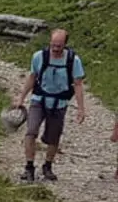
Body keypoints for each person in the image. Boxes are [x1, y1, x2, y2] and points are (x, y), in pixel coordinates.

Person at [11, 29, 85, 183]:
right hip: (39, 100)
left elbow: (77, 84)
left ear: (65, 44)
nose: (56, 49)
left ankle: (48, 166)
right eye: (53, 45)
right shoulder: (39, 57)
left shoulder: (73, 60)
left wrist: (81, 108)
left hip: (59, 104)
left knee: (54, 137)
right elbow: (32, 77)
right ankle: (29, 166)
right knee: (31, 131)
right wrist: (21, 98)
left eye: (59, 46)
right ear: (49, 42)